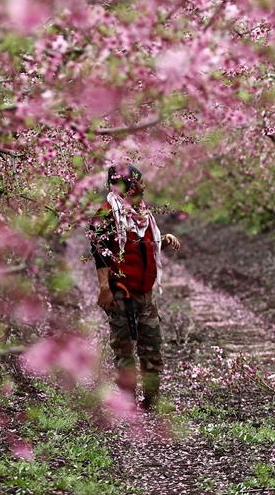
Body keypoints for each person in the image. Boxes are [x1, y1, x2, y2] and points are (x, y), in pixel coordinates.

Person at [90, 164, 181, 410]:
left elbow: (142, 243)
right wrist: (104, 288)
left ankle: (152, 399)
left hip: (145, 293)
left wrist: (163, 240)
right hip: (121, 292)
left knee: (151, 345)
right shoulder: (106, 215)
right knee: (124, 348)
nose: (143, 187)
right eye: (138, 183)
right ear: (125, 187)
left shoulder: (141, 213)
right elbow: (100, 254)